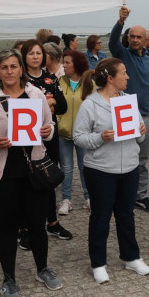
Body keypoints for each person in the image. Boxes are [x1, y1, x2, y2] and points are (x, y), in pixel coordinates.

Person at [0, 49, 62, 297]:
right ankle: (9, 278)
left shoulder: (36, 94)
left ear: (21, 69)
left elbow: (49, 126)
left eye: (13, 66)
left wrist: (47, 130)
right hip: (3, 174)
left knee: (37, 224)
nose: (9, 72)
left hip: (34, 171)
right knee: (8, 227)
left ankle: (42, 269)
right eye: (4, 67)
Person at [73, 58, 149, 283]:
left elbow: (141, 136)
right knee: (100, 217)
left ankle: (131, 257)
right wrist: (100, 137)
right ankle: (98, 263)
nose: (128, 77)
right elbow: (78, 137)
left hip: (129, 167)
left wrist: (141, 130)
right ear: (110, 78)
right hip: (100, 170)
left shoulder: (128, 101)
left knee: (126, 215)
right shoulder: (90, 104)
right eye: (124, 73)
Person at [21, 39, 72, 241]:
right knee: (27, 181)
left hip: (49, 134)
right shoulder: (19, 78)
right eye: (31, 53)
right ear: (24, 56)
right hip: (26, 137)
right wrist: (48, 102)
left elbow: (62, 106)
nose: (35, 57)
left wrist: (46, 102)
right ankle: (24, 227)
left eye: (38, 53)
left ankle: (52, 222)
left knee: (49, 179)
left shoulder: (51, 77)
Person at [110, 7, 149, 213]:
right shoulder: (123, 55)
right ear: (127, 38)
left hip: (145, 116)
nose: (135, 40)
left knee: (142, 160)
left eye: (139, 37)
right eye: (132, 36)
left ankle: (141, 195)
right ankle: (119, 195)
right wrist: (120, 22)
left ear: (146, 40)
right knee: (120, 156)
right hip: (125, 113)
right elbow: (113, 42)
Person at [56, 50, 93, 215]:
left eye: (67, 62)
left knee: (85, 166)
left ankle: (88, 197)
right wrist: (57, 122)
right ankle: (66, 200)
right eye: (63, 62)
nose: (63, 65)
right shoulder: (59, 81)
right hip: (63, 133)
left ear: (77, 64)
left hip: (84, 134)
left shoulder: (90, 83)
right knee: (66, 167)